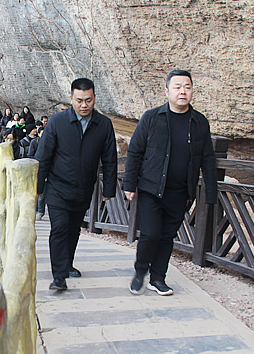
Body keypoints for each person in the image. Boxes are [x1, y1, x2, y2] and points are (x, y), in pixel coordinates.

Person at [123, 70, 218, 296]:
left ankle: (158, 278)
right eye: (177, 87)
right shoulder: (151, 117)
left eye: (187, 87)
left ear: (192, 91)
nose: (182, 91)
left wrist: (211, 192)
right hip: (151, 188)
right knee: (150, 234)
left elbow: (207, 158)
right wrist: (129, 184)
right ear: (167, 91)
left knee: (167, 236)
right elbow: (135, 151)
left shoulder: (199, 122)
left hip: (180, 191)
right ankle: (140, 272)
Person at [35, 78, 117, 291]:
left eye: (88, 100)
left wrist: (109, 189)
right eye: (79, 100)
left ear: (94, 98)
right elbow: (43, 156)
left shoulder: (103, 124)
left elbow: (109, 159)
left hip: (84, 188)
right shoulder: (57, 122)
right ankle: (59, 276)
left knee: (73, 230)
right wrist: (38, 187)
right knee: (59, 228)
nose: (84, 105)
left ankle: (67, 264)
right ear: (71, 98)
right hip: (57, 187)